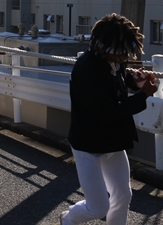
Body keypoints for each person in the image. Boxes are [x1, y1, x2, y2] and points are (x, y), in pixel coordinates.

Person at [60, 13, 157, 225]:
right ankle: (68, 219)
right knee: (98, 207)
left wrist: (135, 81)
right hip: (88, 145)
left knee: (123, 196)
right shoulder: (86, 69)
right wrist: (144, 94)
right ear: (102, 48)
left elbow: (118, 81)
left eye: (126, 53)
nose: (124, 58)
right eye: (121, 53)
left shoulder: (113, 58)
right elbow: (109, 112)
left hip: (113, 141)